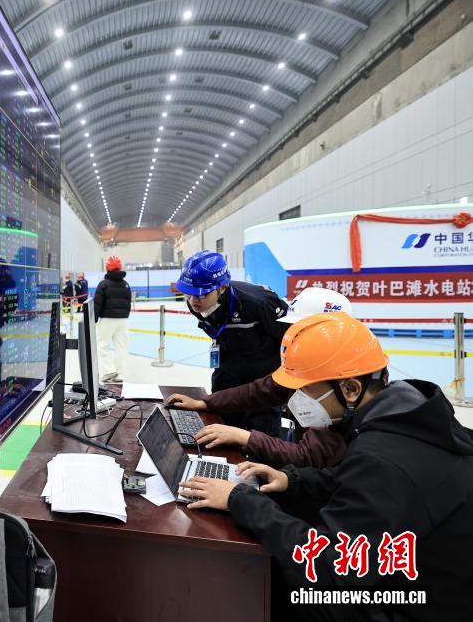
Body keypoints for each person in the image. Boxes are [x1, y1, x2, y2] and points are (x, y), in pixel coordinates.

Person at [179, 312, 473, 622]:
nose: (293, 401)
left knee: (268, 581)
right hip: (421, 577)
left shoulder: (381, 456)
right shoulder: (403, 413)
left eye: (304, 390)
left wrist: (242, 500)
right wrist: (291, 480)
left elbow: (328, 565)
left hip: (412, 605)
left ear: (350, 389)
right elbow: (352, 481)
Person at [167, 288, 354, 468]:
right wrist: (205, 403)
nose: (293, 338)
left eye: (302, 332)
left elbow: (310, 456)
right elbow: (263, 390)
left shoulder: (345, 383)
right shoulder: (314, 365)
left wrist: (244, 437)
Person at [176, 250, 289, 436]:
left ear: (222, 288)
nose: (194, 301)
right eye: (189, 294)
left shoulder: (259, 302)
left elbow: (290, 338)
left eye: (202, 294)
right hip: (227, 379)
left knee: (260, 443)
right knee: (221, 435)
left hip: (262, 386)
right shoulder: (196, 303)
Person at [93, 255, 131, 382]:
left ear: (107, 268)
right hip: (123, 321)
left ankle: (108, 371)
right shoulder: (126, 285)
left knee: (103, 346)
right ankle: (120, 374)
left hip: (107, 320)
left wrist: (94, 319)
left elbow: (97, 304)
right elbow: (128, 303)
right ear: (120, 267)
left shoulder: (103, 284)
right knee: (121, 347)